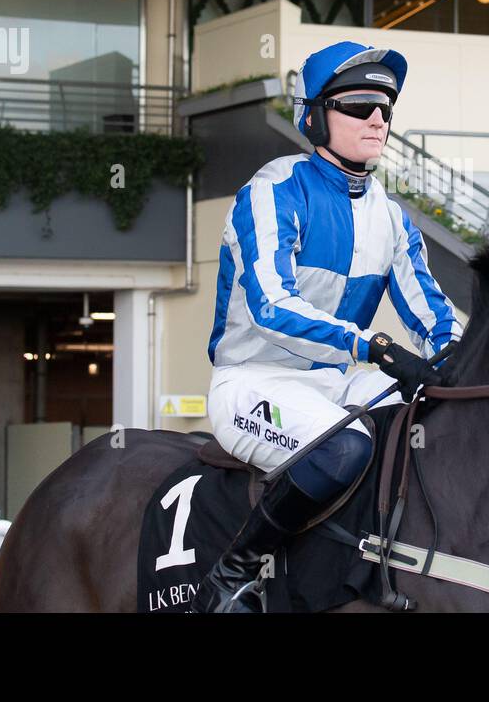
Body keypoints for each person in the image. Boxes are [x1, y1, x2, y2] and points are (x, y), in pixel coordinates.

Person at [195, 40, 464, 612]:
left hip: (340, 381)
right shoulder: (271, 190)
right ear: (314, 115)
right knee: (344, 451)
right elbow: (271, 306)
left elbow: (434, 315)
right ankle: (232, 576)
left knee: (434, 431)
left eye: (386, 108)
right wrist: (375, 346)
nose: (378, 119)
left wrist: (460, 361)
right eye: (360, 104)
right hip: (254, 379)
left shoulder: (391, 215)